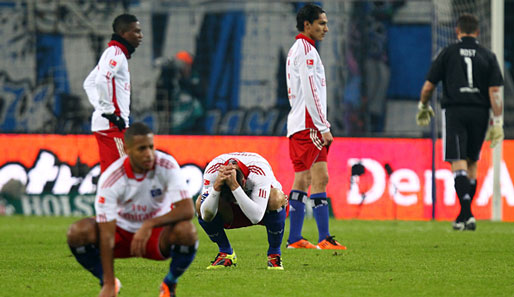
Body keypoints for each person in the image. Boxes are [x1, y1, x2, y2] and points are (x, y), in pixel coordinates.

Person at [66, 122, 198, 297]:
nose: (149, 154)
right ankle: (109, 282)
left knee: (187, 231)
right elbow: (106, 234)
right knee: (78, 232)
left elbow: (188, 210)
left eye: (151, 147)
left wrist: (149, 224)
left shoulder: (166, 165)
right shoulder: (112, 178)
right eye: (142, 149)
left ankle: (169, 284)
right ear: (127, 150)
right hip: (120, 235)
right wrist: (107, 283)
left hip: (157, 235)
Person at [416, 13, 504, 231]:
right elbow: (495, 91)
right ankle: (464, 216)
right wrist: (498, 121)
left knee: (457, 160)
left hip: (455, 111)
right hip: (480, 112)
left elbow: (429, 86)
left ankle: (466, 213)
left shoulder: (448, 52)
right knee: (472, 162)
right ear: (477, 32)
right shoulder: (488, 55)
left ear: (457, 31)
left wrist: (423, 106)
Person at [285, 3, 346, 250]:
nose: (326, 28)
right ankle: (311, 237)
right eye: (321, 23)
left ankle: (305, 238)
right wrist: (323, 126)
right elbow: (311, 90)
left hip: (301, 122)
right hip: (309, 123)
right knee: (312, 178)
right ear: (307, 24)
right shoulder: (306, 51)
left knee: (311, 178)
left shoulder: (298, 49)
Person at [195, 152, 288, 270]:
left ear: (244, 183)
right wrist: (216, 187)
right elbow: (206, 215)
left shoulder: (258, 170)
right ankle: (226, 253)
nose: (234, 200)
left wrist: (234, 186)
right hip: (232, 213)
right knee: (200, 204)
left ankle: (274, 255)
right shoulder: (213, 171)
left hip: (264, 209)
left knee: (276, 197)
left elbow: (256, 217)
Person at [83, 14, 143, 172]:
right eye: (136, 31)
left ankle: (104, 198)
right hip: (112, 126)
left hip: (109, 124)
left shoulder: (114, 53)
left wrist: (101, 108)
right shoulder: (116, 53)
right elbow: (102, 79)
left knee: (111, 176)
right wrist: (109, 112)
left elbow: (88, 83)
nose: (140, 36)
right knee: (124, 174)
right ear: (123, 33)